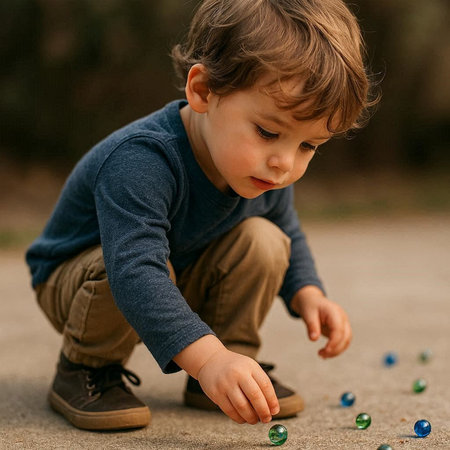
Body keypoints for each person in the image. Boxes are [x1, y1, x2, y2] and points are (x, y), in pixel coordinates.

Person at [25, 0, 376, 431]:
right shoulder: (142, 160)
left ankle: (233, 371)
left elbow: (287, 229)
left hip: (171, 272)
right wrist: (205, 358)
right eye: (268, 132)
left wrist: (309, 293)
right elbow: (135, 271)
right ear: (204, 91)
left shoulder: (259, 168)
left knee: (264, 240)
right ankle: (86, 368)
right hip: (82, 279)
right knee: (127, 266)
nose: (285, 162)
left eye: (309, 146)